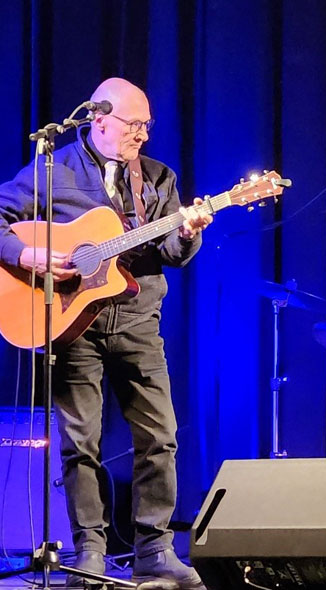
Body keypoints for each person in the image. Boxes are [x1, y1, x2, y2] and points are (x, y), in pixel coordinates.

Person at [0, 78, 212, 589]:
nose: (143, 134)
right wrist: (26, 254)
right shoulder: (53, 170)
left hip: (138, 322)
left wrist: (188, 232)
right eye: (133, 124)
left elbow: (172, 255)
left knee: (160, 437)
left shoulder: (158, 178)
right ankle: (89, 551)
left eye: (147, 125)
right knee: (81, 443)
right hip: (72, 324)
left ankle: (154, 549)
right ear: (99, 121)